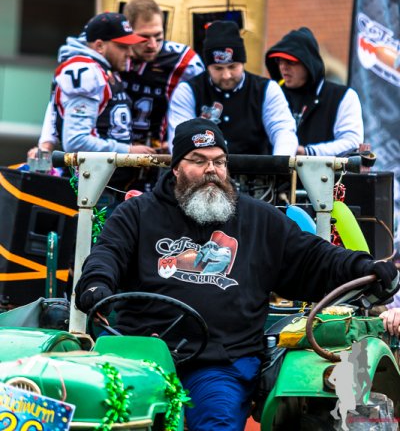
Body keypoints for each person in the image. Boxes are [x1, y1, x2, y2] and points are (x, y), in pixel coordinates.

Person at [74, 118, 398, 431]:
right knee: (106, 416)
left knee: (217, 421)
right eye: (198, 160)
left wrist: (365, 267)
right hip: (141, 355)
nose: (211, 170)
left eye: (219, 161)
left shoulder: (259, 220)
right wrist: (96, 284)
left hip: (220, 363)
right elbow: (107, 256)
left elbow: (315, 257)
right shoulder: (136, 214)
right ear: (175, 168)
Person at [167, 20, 298, 155]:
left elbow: (283, 131)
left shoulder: (267, 89)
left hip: (256, 167)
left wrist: (281, 162)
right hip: (205, 166)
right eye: (218, 68)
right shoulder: (188, 91)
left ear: (243, 63)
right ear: (207, 66)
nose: (226, 75)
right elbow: (180, 139)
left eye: (232, 67)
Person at [36, 12, 154, 157]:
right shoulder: (86, 72)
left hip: (107, 168)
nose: (130, 53)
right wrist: (127, 151)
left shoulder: (103, 67)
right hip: (90, 170)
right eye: (123, 46)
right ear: (99, 46)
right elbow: (76, 142)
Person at [265, 27, 364, 156]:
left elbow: (352, 143)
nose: (283, 67)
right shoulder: (272, 95)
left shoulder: (342, 96)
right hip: (274, 169)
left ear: (308, 62)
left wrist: (308, 152)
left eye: (290, 61)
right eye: (279, 61)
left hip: (322, 169)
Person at [122, 0, 204, 148]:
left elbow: (203, 109)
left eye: (158, 37)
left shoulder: (183, 61)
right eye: (144, 38)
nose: (152, 45)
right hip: (115, 150)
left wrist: (180, 139)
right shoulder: (113, 53)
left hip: (161, 149)